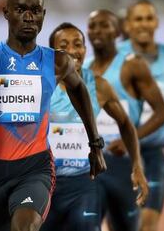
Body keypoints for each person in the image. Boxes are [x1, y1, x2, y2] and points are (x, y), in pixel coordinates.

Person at [0, 0, 106, 231]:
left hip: (34, 168)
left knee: (24, 227)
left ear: (43, 15)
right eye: (21, 9)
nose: (29, 16)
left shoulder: (56, 61)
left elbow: (79, 89)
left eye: (35, 10)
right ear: (6, 13)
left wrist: (95, 144)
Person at [41, 22, 148, 231]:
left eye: (78, 44)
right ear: (53, 52)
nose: (72, 50)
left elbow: (126, 123)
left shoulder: (98, 86)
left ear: (85, 49)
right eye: (64, 45)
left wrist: (136, 165)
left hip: (83, 184)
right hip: (44, 185)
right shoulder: (41, 84)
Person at [84, 9, 164, 231]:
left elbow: (162, 113)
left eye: (105, 25)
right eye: (93, 26)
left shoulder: (132, 65)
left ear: (117, 31)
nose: (98, 31)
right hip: (90, 164)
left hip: (122, 163)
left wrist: (128, 140)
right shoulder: (84, 67)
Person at [119, 0, 164, 231]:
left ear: (156, 22)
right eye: (138, 19)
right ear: (127, 25)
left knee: (148, 223)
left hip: (154, 153)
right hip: (121, 157)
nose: (144, 24)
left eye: (149, 18)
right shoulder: (115, 57)